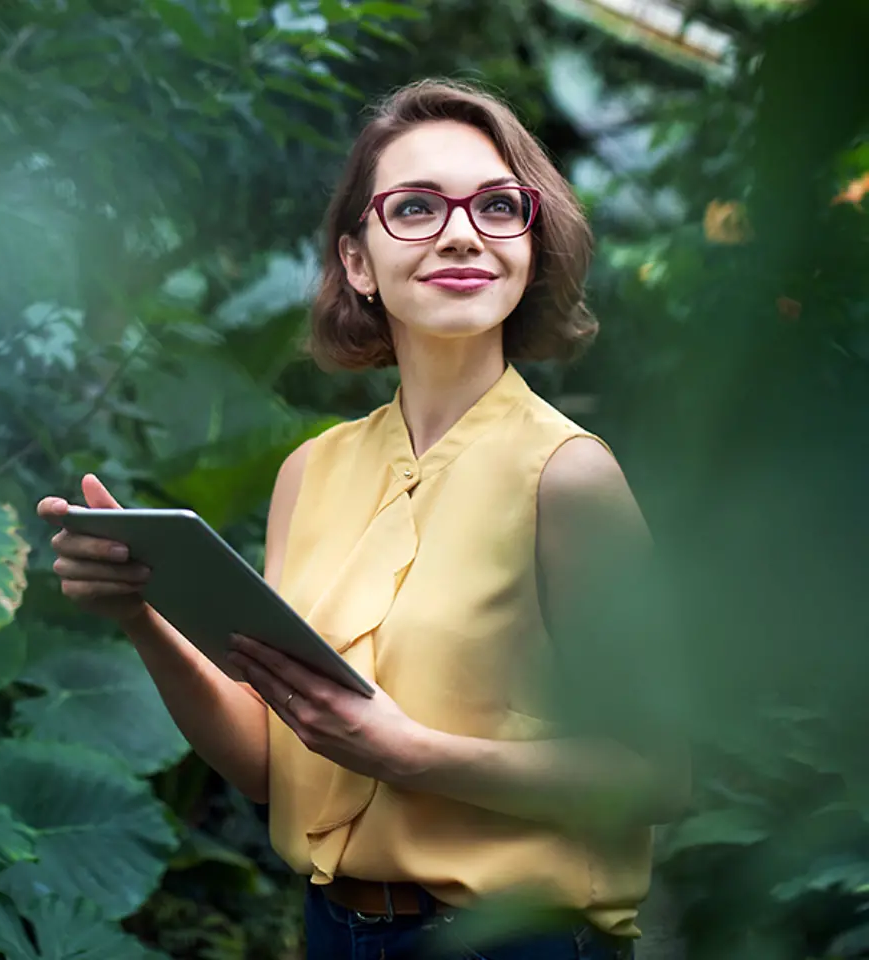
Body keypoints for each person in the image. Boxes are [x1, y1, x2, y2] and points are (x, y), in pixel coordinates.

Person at [37, 79, 688, 960]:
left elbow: (659, 776)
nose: (463, 232)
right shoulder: (312, 472)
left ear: (529, 243)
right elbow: (271, 763)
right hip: (334, 930)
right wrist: (139, 615)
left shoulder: (569, 476)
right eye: (415, 207)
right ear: (357, 261)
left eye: (498, 205)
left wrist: (413, 754)